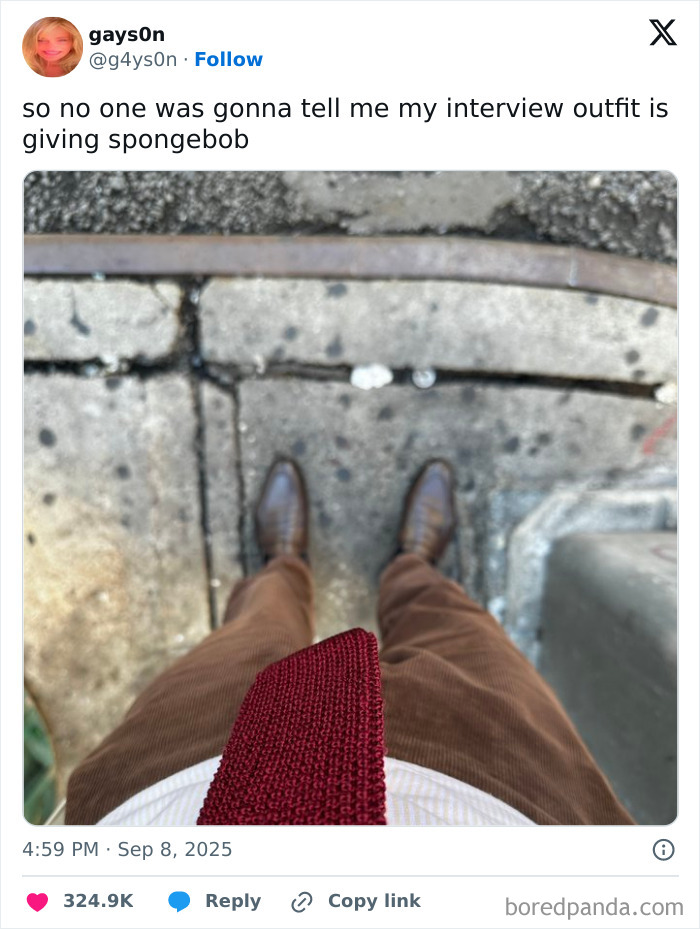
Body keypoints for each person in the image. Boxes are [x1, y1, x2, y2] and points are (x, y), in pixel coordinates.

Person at [65, 459, 634, 825]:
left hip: (168, 796)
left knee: (254, 629)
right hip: (514, 802)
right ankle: (413, 567)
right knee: (458, 628)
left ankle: (286, 565)